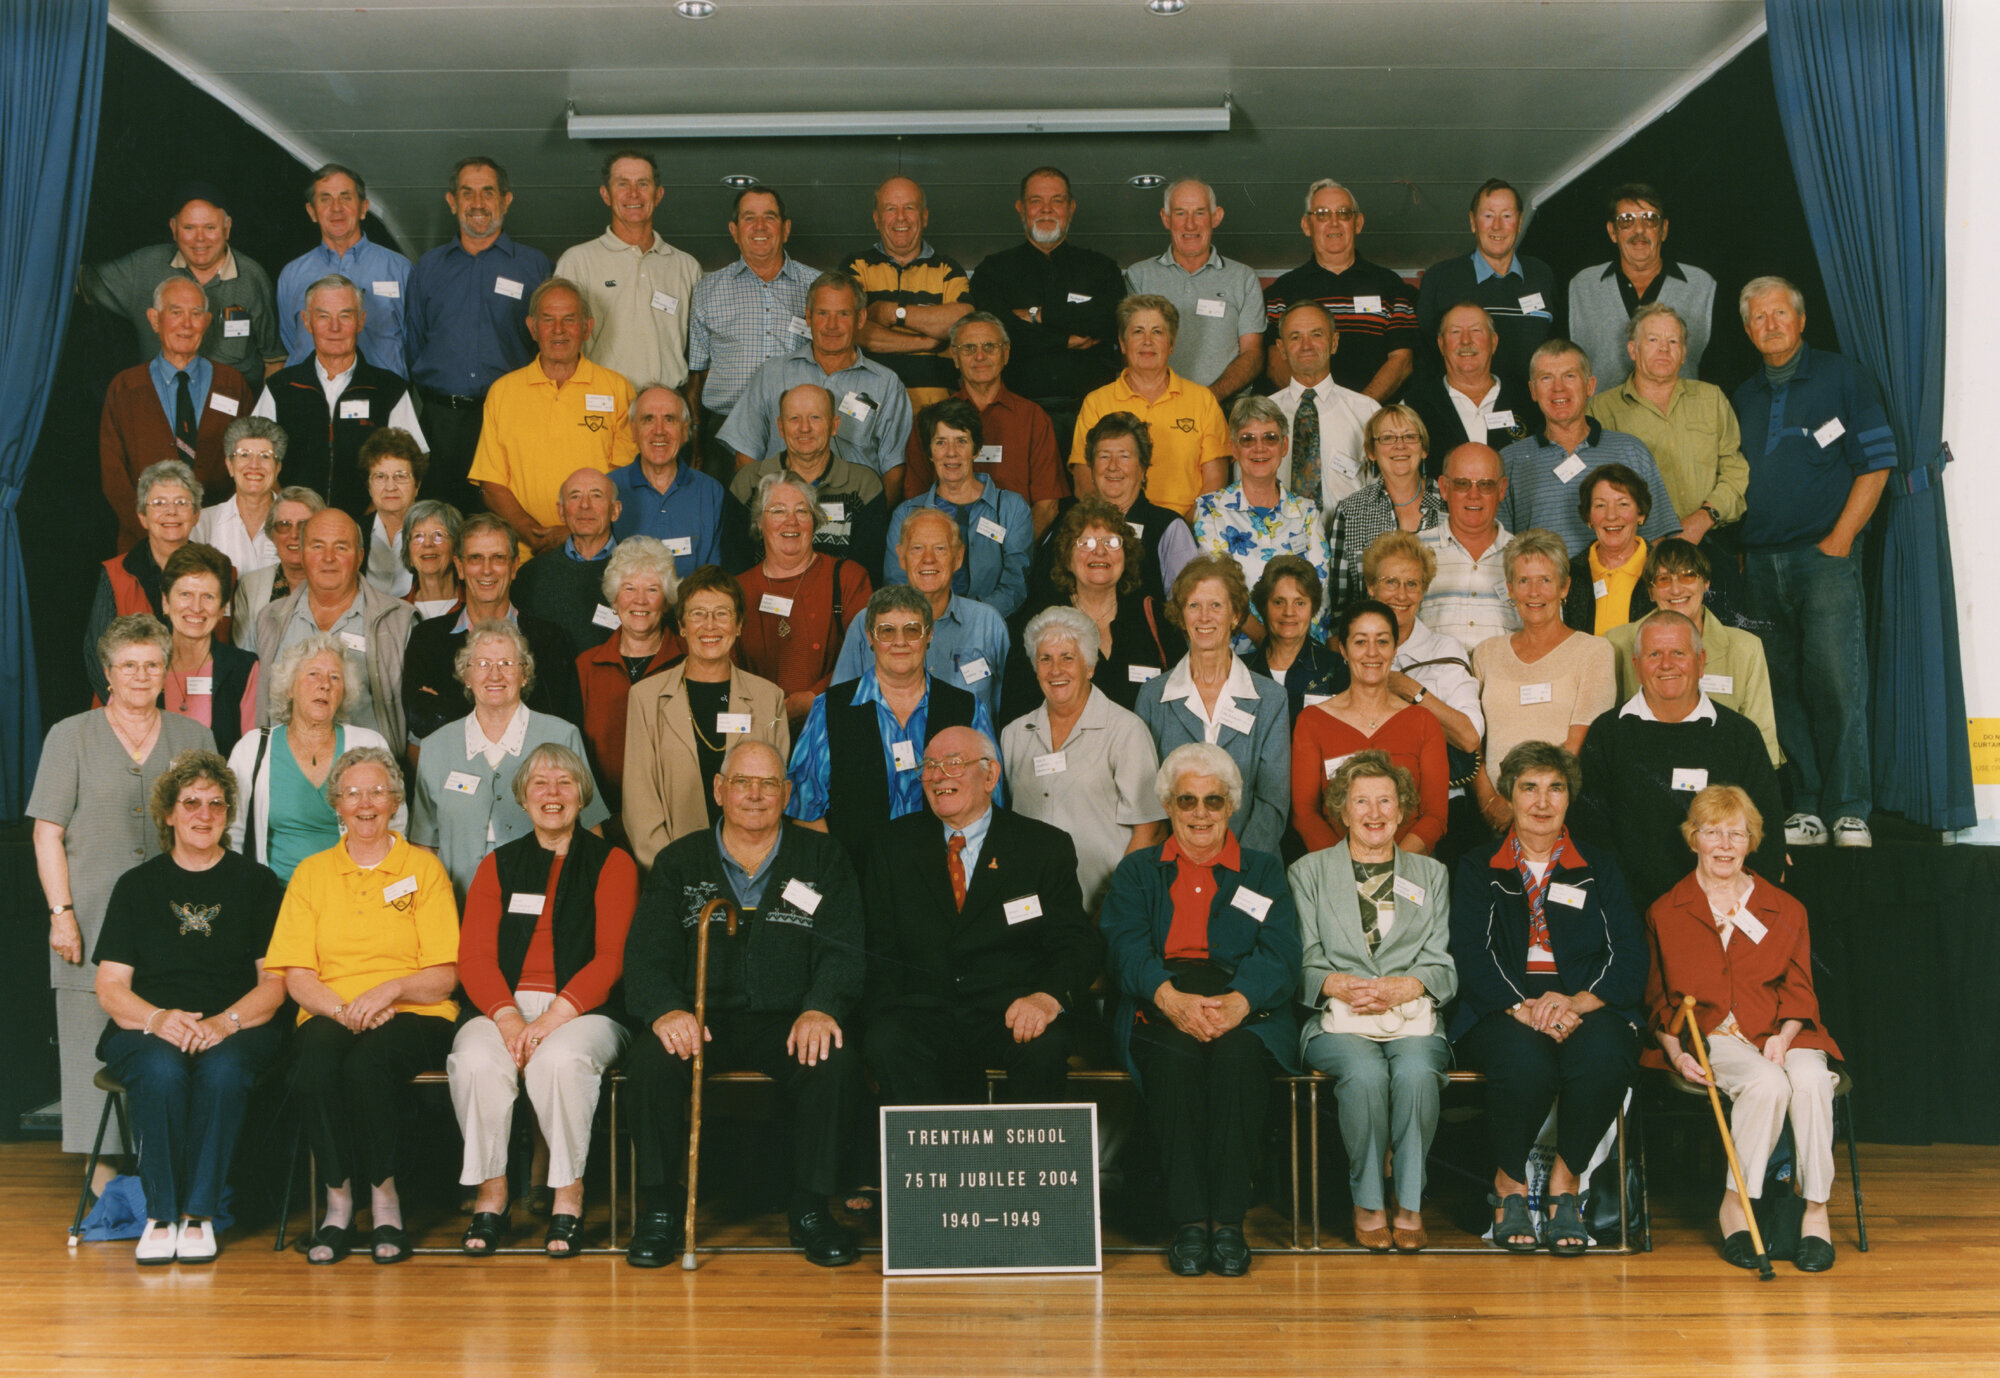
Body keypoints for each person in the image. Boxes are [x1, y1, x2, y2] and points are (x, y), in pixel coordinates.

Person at [623, 738, 866, 1268]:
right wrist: (666, 1009)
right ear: (719, 790)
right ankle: (661, 1212)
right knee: (649, 1060)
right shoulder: (678, 861)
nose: (755, 795)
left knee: (833, 1060)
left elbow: (844, 950)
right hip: (699, 1019)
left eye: (768, 784)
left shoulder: (822, 857)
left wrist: (823, 1005)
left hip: (789, 1018)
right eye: (742, 783)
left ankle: (811, 1209)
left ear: (787, 793)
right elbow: (645, 955)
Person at [1099, 743, 1302, 1277]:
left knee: (1237, 1065)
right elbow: (1125, 945)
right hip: (1161, 999)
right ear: (1168, 805)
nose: (1200, 814)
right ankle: (1190, 1223)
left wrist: (1239, 1002)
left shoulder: (1262, 870)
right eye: (1187, 800)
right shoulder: (1139, 870)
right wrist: (1167, 997)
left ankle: (1229, 1224)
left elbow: (1280, 952)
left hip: (1245, 1004)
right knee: (1174, 1064)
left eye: (1214, 801)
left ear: (1231, 805)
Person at [264, 745, 460, 1265]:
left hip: (416, 1013)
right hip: (330, 1008)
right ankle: (338, 1204)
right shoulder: (311, 874)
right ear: (336, 805)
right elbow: (296, 973)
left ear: (395, 801)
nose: (365, 803)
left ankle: (386, 1202)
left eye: (377, 791)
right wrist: (343, 1010)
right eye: (352, 793)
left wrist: (389, 991)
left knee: (368, 1067)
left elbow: (445, 975)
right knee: (313, 1066)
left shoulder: (423, 868)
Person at [31, 615, 215, 1168]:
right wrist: (61, 914)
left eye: (152, 664)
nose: (140, 675)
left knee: (169, 1036)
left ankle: (167, 1162)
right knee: (90, 1037)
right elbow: (47, 833)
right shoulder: (70, 735)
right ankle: (103, 1169)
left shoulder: (194, 737)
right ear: (108, 673)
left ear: (166, 671)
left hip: (177, 921)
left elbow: (212, 825)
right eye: (128, 665)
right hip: (87, 916)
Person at [91, 749, 287, 1264]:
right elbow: (111, 986)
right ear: (169, 814)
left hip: (238, 1023)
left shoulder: (258, 883)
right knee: (160, 1067)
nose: (205, 815)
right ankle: (160, 1213)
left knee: (222, 1072)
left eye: (217, 804)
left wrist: (225, 1023)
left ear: (228, 814)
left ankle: (199, 1214)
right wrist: (157, 1020)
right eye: (192, 803)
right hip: (150, 1024)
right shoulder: (136, 887)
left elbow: (276, 984)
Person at [1450, 740, 1644, 1255]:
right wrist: (1524, 1008)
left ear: (1569, 797)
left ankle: (1564, 1186)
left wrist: (1576, 1002)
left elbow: (1628, 955)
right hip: (1503, 1005)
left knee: (1605, 1057)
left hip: (1584, 1001)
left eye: (1554, 788)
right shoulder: (1478, 866)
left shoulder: (1599, 866)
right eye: (1528, 788)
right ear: (1508, 798)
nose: (1541, 801)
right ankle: (1510, 1185)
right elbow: (1471, 954)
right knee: (1525, 1062)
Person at [447, 742, 637, 1257]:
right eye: (539, 784)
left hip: (585, 1010)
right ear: (523, 798)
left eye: (565, 783)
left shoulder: (613, 863)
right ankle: (492, 1196)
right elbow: (476, 960)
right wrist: (508, 1019)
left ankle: (567, 1197)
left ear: (582, 794)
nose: (552, 794)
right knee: (474, 1061)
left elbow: (612, 958)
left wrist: (554, 1016)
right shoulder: (497, 865)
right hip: (501, 1005)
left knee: (560, 1061)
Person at [1645, 784, 1843, 1273]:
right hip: (1714, 1035)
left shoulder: (1784, 908)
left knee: (1813, 1079)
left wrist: (1785, 1036)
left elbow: (1801, 990)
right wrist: (1674, 1053)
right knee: (1765, 1082)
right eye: (1713, 832)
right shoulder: (1666, 912)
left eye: (1737, 833)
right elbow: (1657, 1000)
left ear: (1752, 841)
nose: (1725, 845)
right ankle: (1736, 1204)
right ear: (1693, 838)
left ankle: (1816, 1212)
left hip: (1782, 1030)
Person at [1732, 276, 1895, 849]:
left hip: (1823, 558)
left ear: (1801, 321)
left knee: (1836, 682)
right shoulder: (1743, 395)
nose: (1770, 324)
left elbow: (1876, 464)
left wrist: (1841, 539)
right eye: (1758, 317)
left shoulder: (1842, 376)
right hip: (1760, 564)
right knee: (1780, 688)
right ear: (1748, 330)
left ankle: (1850, 808)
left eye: (1780, 313)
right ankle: (1805, 807)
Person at [863, 726, 1099, 1105]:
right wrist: (885, 1017)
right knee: (886, 1040)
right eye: (930, 766)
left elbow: (1075, 943)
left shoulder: (1043, 847)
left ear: (990, 776)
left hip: (1011, 1013)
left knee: (1045, 1047)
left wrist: (1047, 998)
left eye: (954, 764)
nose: (938, 776)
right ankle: (928, 1165)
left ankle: (1026, 1166)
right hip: (924, 1014)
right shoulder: (892, 846)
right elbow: (879, 950)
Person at [1291, 752, 1455, 1252]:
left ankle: (1409, 1204)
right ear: (1341, 810)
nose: (1374, 812)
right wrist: (1337, 984)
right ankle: (1367, 1202)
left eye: (1386, 800)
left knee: (1415, 1074)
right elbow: (1301, 960)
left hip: (1411, 1018)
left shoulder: (1430, 875)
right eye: (1361, 800)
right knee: (1364, 1077)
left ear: (1403, 809)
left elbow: (1441, 963)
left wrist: (1406, 986)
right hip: (1336, 1020)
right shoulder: (1308, 872)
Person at [1577, 610, 1786, 910]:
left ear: (1700, 662)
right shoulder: (1607, 733)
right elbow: (1590, 832)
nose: (1666, 664)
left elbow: (1767, 832)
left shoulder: (1740, 736)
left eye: (1678, 652)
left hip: (1720, 915)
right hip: (1627, 911)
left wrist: (1726, 909)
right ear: (1636, 666)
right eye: (1654, 654)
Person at [788, 586, 998, 871]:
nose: (900, 642)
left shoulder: (967, 709)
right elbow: (804, 808)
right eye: (887, 631)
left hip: (947, 879)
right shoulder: (830, 708)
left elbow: (989, 803)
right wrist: (839, 875)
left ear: (929, 635)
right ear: (870, 638)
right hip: (856, 879)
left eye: (912, 630)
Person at [409, 619, 608, 902]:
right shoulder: (435, 747)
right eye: (482, 664)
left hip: (548, 900)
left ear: (524, 674)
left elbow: (591, 831)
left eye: (506, 663)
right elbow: (423, 846)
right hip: (457, 903)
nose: (494, 675)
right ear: (466, 676)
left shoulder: (562, 736)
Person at [404, 155, 552, 514]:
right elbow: (414, 343)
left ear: (506, 200)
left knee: (501, 526)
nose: (478, 203)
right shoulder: (428, 267)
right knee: (437, 525)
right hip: (441, 424)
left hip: (509, 421)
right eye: (467, 193)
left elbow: (546, 343)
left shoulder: (534, 266)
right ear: (452, 201)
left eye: (488, 192)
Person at [623, 565, 790, 869]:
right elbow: (639, 807)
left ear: (739, 625)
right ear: (682, 626)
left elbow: (776, 797)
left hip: (754, 869)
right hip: (674, 873)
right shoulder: (645, 698)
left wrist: (755, 867)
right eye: (698, 613)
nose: (710, 626)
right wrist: (676, 874)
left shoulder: (769, 698)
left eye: (722, 614)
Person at [1001, 606, 1166, 910]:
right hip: (1031, 908)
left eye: (1067, 657)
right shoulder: (1014, 735)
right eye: (1045, 659)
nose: (1055, 670)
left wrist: (1115, 902)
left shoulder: (1125, 730)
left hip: (1102, 905)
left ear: (1089, 666)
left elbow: (1151, 829)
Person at [469, 277, 638, 555]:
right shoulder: (503, 392)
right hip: (524, 553)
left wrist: (575, 531)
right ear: (532, 328)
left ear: (587, 328)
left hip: (595, 550)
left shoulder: (618, 389)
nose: (559, 331)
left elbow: (623, 479)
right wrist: (531, 532)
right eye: (548, 320)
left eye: (570, 320)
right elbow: (492, 482)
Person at [1136, 555, 1291, 854]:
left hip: (1248, 865)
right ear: (1181, 616)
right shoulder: (1153, 697)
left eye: (1216, 606)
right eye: (1194, 605)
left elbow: (1273, 803)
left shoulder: (1270, 699)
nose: (1204, 617)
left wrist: (1235, 865)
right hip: (1172, 866)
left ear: (1235, 616)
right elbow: (1148, 800)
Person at [721, 271, 913, 501]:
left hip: (854, 512)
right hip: (779, 513)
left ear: (860, 319)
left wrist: (874, 521)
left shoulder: (887, 384)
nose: (832, 326)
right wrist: (760, 515)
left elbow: (894, 468)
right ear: (808, 316)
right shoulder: (772, 374)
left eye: (843, 314)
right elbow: (745, 454)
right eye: (823, 313)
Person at [968, 166, 1126, 447]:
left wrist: (1039, 316)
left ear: (1071, 208)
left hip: (1092, 418)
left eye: (1057, 200)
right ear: (1020, 208)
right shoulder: (993, 270)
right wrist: (1066, 338)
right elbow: (998, 333)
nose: (1046, 209)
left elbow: (1109, 320)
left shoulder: (1102, 268)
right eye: (1035, 201)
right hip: (1015, 416)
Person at [1471, 529, 1616, 833]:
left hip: (1564, 813)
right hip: (1493, 814)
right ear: (1510, 588)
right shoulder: (1486, 653)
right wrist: (1489, 802)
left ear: (1565, 587)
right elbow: (1472, 741)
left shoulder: (1594, 652)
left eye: (1545, 580)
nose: (1534, 592)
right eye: (1524, 581)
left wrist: (1523, 804)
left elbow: (1577, 744)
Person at [252, 274, 425, 525]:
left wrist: (369, 522)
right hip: (294, 529)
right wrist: (287, 513)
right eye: (323, 316)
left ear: (361, 321)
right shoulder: (280, 388)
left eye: (345, 315)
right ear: (307, 322)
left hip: (368, 528)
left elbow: (412, 466)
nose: (335, 327)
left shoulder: (390, 389)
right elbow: (257, 462)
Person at [226, 633, 400, 879]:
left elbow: (394, 825)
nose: (325, 684)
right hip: (276, 900)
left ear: (343, 692)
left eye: (335, 677)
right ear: (290, 688)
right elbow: (232, 831)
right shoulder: (252, 747)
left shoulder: (369, 744)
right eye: (313, 674)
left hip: (354, 896)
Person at [100, 277, 256, 551]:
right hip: (143, 545)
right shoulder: (125, 388)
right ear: (154, 320)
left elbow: (250, 463)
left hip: (218, 543)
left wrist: (223, 529)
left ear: (207, 322)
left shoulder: (232, 385)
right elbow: (113, 474)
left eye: (196, 314)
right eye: (176, 312)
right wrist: (152, 535)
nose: (187, 324)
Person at [400, 512, 580, 748]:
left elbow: (559, 728)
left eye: (498, 558)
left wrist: (448, 708)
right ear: (460, 567)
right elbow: (420, 724)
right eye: (475, 558)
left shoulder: (552, 640)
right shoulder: (427, 638)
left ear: (514, 567)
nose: (487, 570)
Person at [1364, 532, 1489, 859]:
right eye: (1390, 582)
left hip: (1440, 808)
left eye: (1412, 584)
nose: (1401, 595)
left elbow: (1469, 735)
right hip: (1367, 810)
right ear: (1370, 587)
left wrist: (1411, 690)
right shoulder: (1351, 649)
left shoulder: (1444, 649)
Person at [1004, 499, 1186, 721]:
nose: (1100, 551)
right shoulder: (1037, 624)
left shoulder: (1156, 618)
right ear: (1067, 558)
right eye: (1086, 543)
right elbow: (1017, 715)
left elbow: (1179, 705)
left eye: (1111, 542)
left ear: (1126, 556)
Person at [80, 181, 283, 380]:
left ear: (227, 228)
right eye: (189, 228)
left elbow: (275, 360)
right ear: (174, 229)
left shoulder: (252, 278)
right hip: (159, 397)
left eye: (210, 227)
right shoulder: (143, 266)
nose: (200, 238)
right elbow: (73, 279)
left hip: (232, 403)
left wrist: (261, 412)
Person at [250, 508, 415, 754]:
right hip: (286, 773)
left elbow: (415, 724)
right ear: (303, 554)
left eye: (341, 547)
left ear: (359, 556)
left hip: (366, 779)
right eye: (317, 546)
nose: (328, 558)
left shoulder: (399, 621)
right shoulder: (270, 619)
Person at [1585, 303, 1749, 546]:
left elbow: (1734, 470)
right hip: (1637, 549)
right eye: (1652, 339)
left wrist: (1702, 519)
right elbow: (1593, 488)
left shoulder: (1711, 398)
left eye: (1673, 342)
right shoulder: (1601, 409)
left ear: (1683, 354)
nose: (1663, 348)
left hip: (1709, 540)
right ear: (1633, 350)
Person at [1293, 600, 1448, 855]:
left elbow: (1435, 815)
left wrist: (1395, 866)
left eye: (1383, 641)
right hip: (1335, 869)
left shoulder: (1423, 722)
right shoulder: (1312, 722)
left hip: (1407, 872)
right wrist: (1347, 868)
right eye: (1361, 641)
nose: (1372, 652)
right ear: (1343, 649)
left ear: (1395, 648)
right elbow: (1304, 813)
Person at [1605, 538, 1779, 764]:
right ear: (1651, 591)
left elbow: (1762, 738)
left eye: (1687, 575)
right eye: (1663, 579)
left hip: (1723, 776)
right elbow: (1608, 730)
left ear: (1705, 583)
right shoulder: (1617, 642)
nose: (1676, 589)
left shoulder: (1746, 648)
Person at [687, 184, 820, 479]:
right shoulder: (707, 290)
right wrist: (695, 438)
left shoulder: (817, 286)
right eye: (749, 218)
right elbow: (697, 375)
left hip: (798, 432)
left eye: (769, 217)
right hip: (723, 434)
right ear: (734, 230)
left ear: (785, 229)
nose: (760, 226)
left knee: (794, 518)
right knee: (728, 521)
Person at [1499, 340, 1681, 554]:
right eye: (1546, 378)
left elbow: (1657, 538)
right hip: (1541, 586)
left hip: (1621, 584)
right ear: (1533, 390)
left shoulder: (1631, 450)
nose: (1558, 388)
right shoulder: (1509, 460)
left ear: (1590, 386)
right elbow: (1499, 547)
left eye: (1570, 376)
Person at [901, 312, 1068, 536]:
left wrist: (1015, 556)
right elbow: (915, 499)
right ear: (955, 356)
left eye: (990, 346)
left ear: (1006, 353)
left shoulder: (1033, 418)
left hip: (1015, 549)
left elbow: (1047, 506)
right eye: (969, 348)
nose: (980, 356)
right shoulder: (929, 420)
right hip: (944, 549)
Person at [838, 506, 1012, 718]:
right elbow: (841, 707)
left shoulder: (988, 624)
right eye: (917, 548)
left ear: (958, 557)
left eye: (940, 548)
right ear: (901, 557)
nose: (928, 559)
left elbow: (1007, 713)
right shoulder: (865, 623)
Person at [1068, 294, 1230, 519]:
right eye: (1137, 331)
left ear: (1171, 344)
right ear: (1123, 344)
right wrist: (1113, 527)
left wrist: (1181, 531)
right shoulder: (1096, 402)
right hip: (1116, 527)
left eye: (1157, 332)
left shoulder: (1203, 400)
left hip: (1186, 526)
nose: (1147, 341)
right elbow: (1084, 480)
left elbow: (1216, 480)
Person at [555, 149, 701, 394]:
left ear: (659, 194)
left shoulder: (687, 267)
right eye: (623, 184)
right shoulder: (577, 261)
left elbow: (699, 353)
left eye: (643, 184)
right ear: (606, 195)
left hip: (665, 406)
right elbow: (559, 344)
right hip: (599, 401)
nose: (633, 193)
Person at [735, 472, 875, 724]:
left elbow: (867, 654)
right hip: (758, 723)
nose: (791, 522)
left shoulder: (848, 578)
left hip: (830, 721)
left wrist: (814, 697)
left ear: (815, 521)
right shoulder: (736, 590)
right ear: (759, 522)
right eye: (777, 511)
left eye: (802, 511)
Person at [1190, 396, 1332, 642]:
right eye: (1247, 439)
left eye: (1270, 438)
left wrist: (1290, 648)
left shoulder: (1307, 513)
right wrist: (1269, 645)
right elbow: (1219, 590)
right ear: (1233, 449)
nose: (1260, 448)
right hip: (1235, 656)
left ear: (1284, 446)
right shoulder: (1210, 510)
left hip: (1300, 652)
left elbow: (1320, 589)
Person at [1262, 180, 1417, 400]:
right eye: (1322, 214)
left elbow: (1402, 361)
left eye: (1344, 213)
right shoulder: (1283, 291)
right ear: (1307, 225)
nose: (1334, 223)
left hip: (1374, 420)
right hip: (1308, 415)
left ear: (1358, 223)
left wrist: (1359, 410)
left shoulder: (1390, 285)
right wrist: (1316, 408)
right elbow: (1275, 362)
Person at [1029, 412, 1197, 610]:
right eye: (1104, 456)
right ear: (1091, 468)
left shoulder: (1169, 527)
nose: (1113, 467)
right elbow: (1041, 592)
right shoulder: (1067, 523)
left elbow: (1188, 605)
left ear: (1143, 468)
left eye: (1124, 456)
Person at [724, 383, 891, 579]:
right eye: (794, 418)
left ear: (834, 426)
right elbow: (736, 568)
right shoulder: (748, 482)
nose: (804, 428)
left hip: (839, 603)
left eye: (815, 418)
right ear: (780, 427)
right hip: (764, 601)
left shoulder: (864, 485)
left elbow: (865, 572)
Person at [885, 397, 1033, 616]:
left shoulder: (1011, 508)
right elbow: (897, 586)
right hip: (926, 631)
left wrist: (971, 621)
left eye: (961, 441)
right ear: (930, 453)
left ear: (976, 449)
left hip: (991, 627)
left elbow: (1015, 585)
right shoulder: (906, 514)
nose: (951, 452)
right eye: (940, 442)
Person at [1566, 183, 1720, 388]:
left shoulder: (1702, 286)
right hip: (1602, 418)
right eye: (1626, 221)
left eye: (1649, 220)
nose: (1639, 230)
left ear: (1663, 230)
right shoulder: (1582, 287)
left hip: (1679, 418)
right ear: (1612, 231)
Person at [1123, 178, 1267, 399]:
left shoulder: (1243, 278)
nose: (1190, 225)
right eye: (1180, 213)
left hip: (1224, 409)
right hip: (1155, 408)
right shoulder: (1138, 276)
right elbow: (1131, 349)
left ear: (1216, 217)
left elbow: (1253, 353)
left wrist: (1207, 399)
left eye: (1200, 213)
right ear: (1166, 218)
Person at [1414, 178, 1560, 393]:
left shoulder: (1541, 274)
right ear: (1473, 222)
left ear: (1519, 222)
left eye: (1507, 216)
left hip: (1531, 413)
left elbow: (1556, 348)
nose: (1497, 226)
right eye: (1488, 216)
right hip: (1462, 409)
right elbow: (1423, 358)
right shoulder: (1441, 278)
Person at [572, 535, 684, 811]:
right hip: (603, 814)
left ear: (667, 600)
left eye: (653, 589)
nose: (640, 601)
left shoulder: (689, 661)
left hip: (674, 812)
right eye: (630, 588)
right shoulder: (586, 666)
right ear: (614, 597)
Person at [844, 175, 974, 411]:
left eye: (910, 208)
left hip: (937, 416)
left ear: (924, 217)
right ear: (877, 218)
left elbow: (963, 324)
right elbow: (853, 331)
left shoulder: (948, 269)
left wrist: (891, 313)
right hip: (867, 413)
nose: (900, 217)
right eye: (891, 209)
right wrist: (925, 340)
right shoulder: (855, 266)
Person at [275, 163, 411, 377]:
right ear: (312, 212)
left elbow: (414, 341)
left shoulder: (399, 269)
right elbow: (291, 340)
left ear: (364, 208)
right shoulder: (292, 275)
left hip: (382, 397)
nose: (336, 208)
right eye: (325, 199)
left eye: (346, 197)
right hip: (311, 397)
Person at [84, 461, 200, 702]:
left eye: (182, 503)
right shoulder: (115, 573)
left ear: (196, 515)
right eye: (159, 503)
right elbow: (97, 655)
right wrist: (130, 714)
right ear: (143, 517)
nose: (171, 511)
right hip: (123, 713)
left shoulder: (221, 573)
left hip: (196, 709)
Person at [1326, 404, 1447, 616]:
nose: (1399, 446)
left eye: (1409, 436)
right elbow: (1339, 606)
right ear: (1371, 451)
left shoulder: (1450, 503)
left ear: (1424, 449)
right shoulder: (1351, 511)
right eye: (1388, 438)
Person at [1266, 303, 1377, 509]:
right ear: (1281, 348)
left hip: (1349, 537)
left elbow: (1380, 491)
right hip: (1276, 536)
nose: (1306, 345)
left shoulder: (1367, 412)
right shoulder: (1262, 414)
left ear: (1334, 343)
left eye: (1316, 335)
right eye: (1295, 337)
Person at [609, 384, 726, 575]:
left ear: (685, 429)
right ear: (632, 429)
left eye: (669, 419)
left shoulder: (711, 491)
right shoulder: (609, 489)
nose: (659, 431)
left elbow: (714, 575)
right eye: (648, 419)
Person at [1405, 302, 1540, 465]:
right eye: (1455, 332)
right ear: (1441, 344)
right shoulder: (1412, 406)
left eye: (1476, 331)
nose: (1465, 341)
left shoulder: (1528, 401)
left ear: (1494, 342)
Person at [158, 543, 259, 757]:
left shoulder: (243, 669)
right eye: (185, 594)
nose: (196, 607)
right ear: (165, 602)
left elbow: (251, 758)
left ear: (223, 608)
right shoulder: (141, 665)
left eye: (208, 597)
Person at [513, 467, 626, 652]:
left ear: (615, 510)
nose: (585, 505)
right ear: (561, 511)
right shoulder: (531, 575)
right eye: (575, 496)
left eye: (596, 496)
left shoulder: (639, 572)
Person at [1418, 442, 1517, 654]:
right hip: (1428, 682)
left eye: (1486, 485)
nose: (1474, 495)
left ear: (1501, 489)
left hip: (1504, 682)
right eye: (1462, 484)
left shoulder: (1526, 558)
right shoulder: (1413, 552)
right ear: (1444, 488)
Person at [1241, 555, 1348, 730]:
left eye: (1299, 603)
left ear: (1312, 608)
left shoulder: (1336, 669)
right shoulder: (1239, 669)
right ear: (1263, 607)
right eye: (1278, 602)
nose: (1289, 612)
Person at [1560, 463, 1657, 636]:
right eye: (1600, 505)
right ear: (1588, 516)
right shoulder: (1569, 574)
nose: (1611, 515)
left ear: (1640, 513)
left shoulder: (1663, 569)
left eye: (1623, 504)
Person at [192, 416, 285, 578]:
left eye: (265, 456)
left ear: (277, 468)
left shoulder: (297, 523)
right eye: (244, 455)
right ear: (230, 466)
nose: (254, 465)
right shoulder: (202, 523)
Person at [231, 486, 325, 631]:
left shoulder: (334, 583)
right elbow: (244, 649)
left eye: (304, 525)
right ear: (272, 534)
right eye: (284, 525)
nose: (294, 534)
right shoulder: (249, 585)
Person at [356, 429, 425, 598]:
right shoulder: (355, 531)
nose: (390, 487)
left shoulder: (435, 532)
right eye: (380, 477)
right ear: (369, 486)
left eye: (400, 476)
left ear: (417, 485)